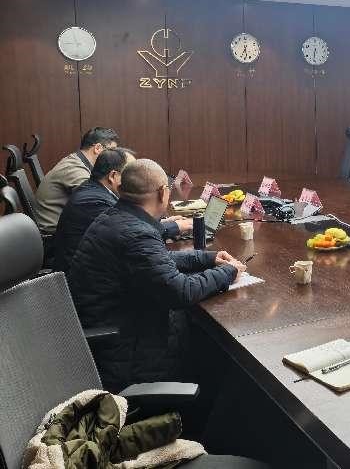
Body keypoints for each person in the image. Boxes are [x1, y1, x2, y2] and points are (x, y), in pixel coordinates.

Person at [68, 159, 246, 392]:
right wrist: (228, 272)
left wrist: (207, 258)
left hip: (112, 329)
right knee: (219, 356)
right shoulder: (136, 233)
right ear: (163, 193)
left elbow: (156, 261)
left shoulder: (114, 217)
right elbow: (180, 291)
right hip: (126, 351)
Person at [51, 148, 192, 273]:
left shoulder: (97, 191)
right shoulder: (94, 202)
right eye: (130, 173)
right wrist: (173, 227)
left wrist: (162, 222)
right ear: (113, 176)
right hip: (76, 282)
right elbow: (130, 234)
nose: (136, 177)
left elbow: (131, 227)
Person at [33, 127, 120, 234]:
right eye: (112, 151)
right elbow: (97, 197)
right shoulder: (74, 169)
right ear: (97, 148)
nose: (114, 157)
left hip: (62, 229)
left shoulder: (77, 161)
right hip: (54, 235)